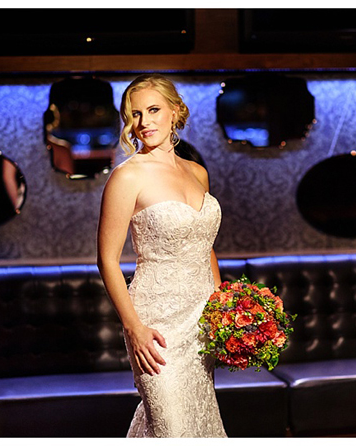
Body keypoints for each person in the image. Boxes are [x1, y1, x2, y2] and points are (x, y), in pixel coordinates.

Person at [96, 74, 227, 438]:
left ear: (176, 111)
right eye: (135, 114)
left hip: (201, 320)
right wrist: (133, 327)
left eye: (153, 110)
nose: (144, 122)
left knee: (197, 424)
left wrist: (224, 310)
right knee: (172, 427)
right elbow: (107, 260)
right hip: (156, 324)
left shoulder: (197, 172)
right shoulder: (126, 177)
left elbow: (204, 246)